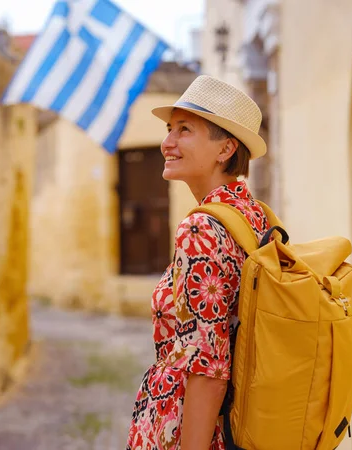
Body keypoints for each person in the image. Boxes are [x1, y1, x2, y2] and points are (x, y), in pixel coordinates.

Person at [126, 75, 270, 450]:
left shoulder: (200, 228)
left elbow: (209, 367)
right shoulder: (254, 215)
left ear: (225, 149)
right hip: (237, 422)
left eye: (184, 130)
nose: (167, 143)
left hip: (191, 427)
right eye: (169, 129)